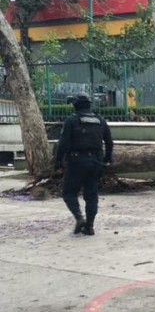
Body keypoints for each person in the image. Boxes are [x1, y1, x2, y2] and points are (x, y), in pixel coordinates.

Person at [54, 92, 113, 235]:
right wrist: (106, 160)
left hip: (77, 162)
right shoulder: (100, 120)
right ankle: (90, 226)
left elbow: (63, 144)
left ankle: (79, 218)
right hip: (96, 162)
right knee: (91, 195)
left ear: (75, 105)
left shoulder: (72, 120)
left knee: (69, 193)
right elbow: (110, 143)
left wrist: (58, 162)